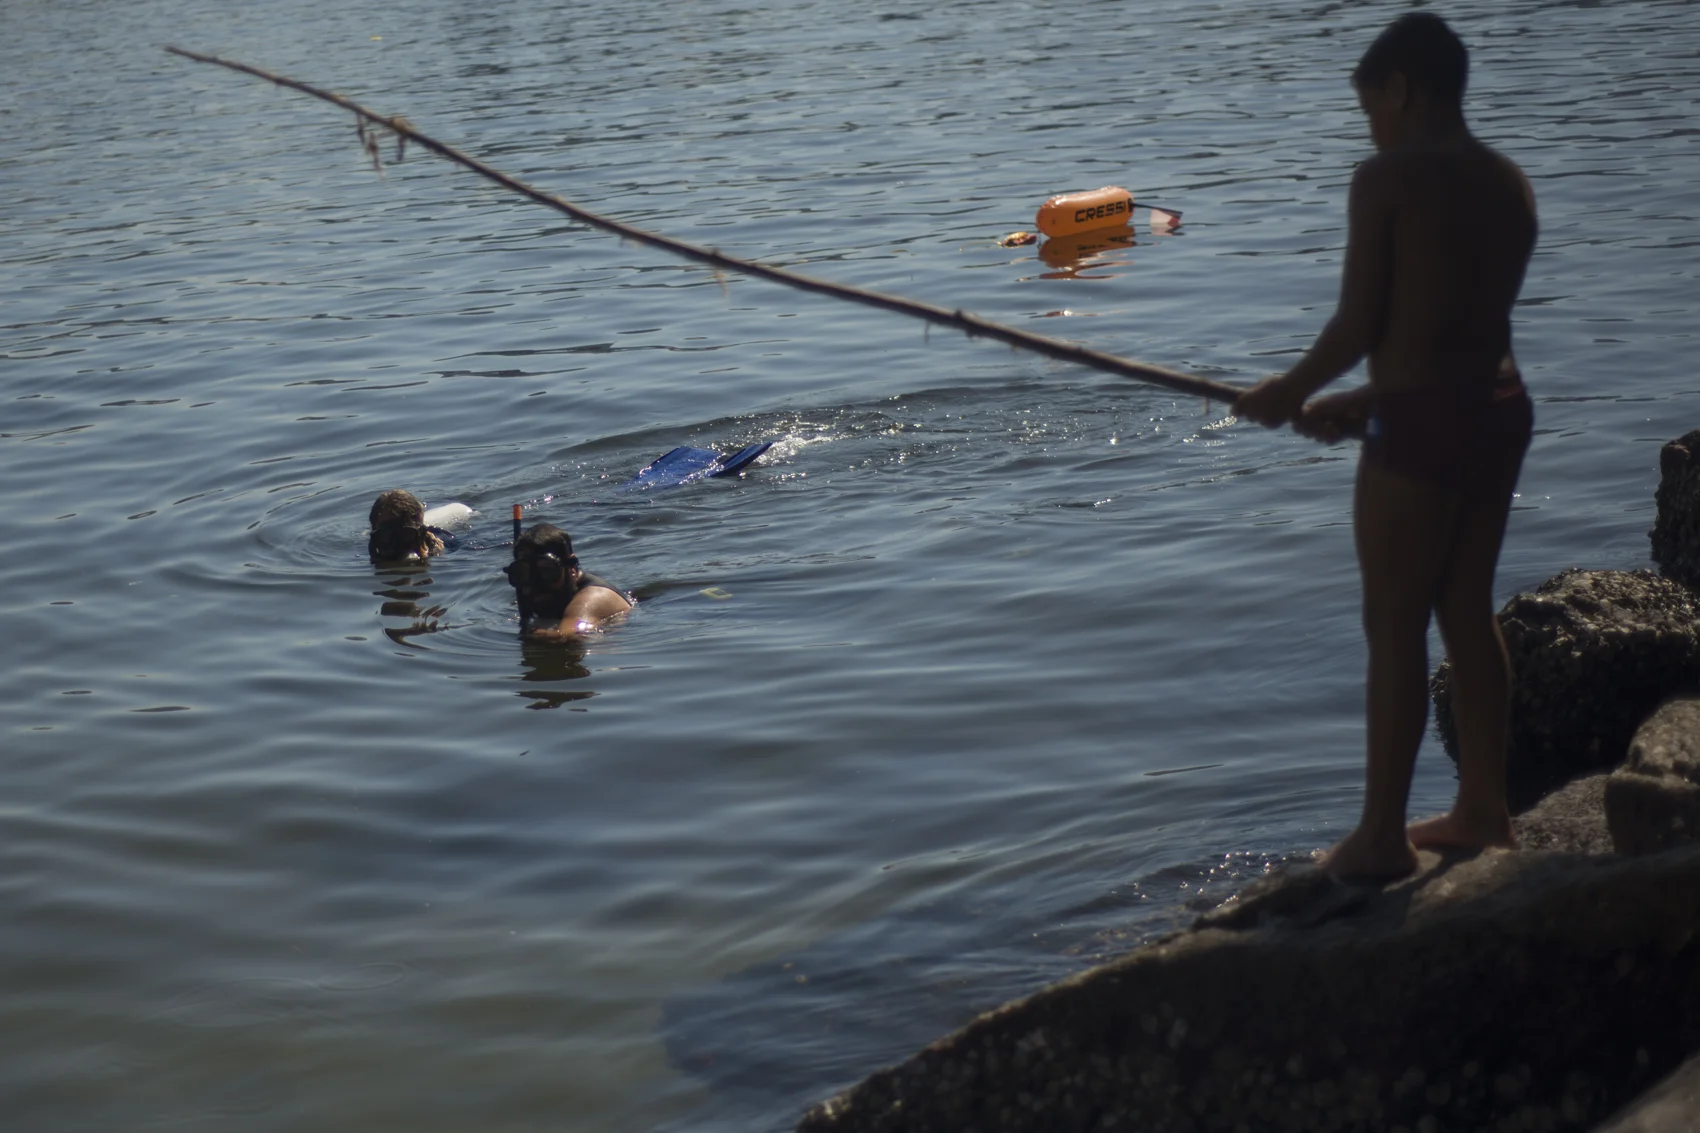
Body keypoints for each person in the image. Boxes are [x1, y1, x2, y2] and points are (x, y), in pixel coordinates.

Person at [1235, 12, 1537, 881]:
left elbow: (1363, 320)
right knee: (1466, 608)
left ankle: (1380, 839)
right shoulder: (1510, 183)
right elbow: (1462, 335)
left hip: (1426, 426)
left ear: (1402, 89)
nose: (1371, 129)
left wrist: (1287, 393)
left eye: (1371, 109)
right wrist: (1363, 400)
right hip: (1499, 410)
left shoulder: (1387, 178)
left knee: (1394, 621)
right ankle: (1485, 807)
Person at [504, 522, 632, 638]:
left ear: (572, 568)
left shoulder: (595, 595)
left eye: (547, 571)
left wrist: (530, 634)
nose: (536, 584)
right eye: (524, 573)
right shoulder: (542, 593)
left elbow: (567, 635)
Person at [368, 489, 453, 562]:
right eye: (385, 536)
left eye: (405, 535)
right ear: (374, 538)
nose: (397, 545)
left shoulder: (447, 542)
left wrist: (435, 555)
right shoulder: (374, 546)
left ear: (421, 534)